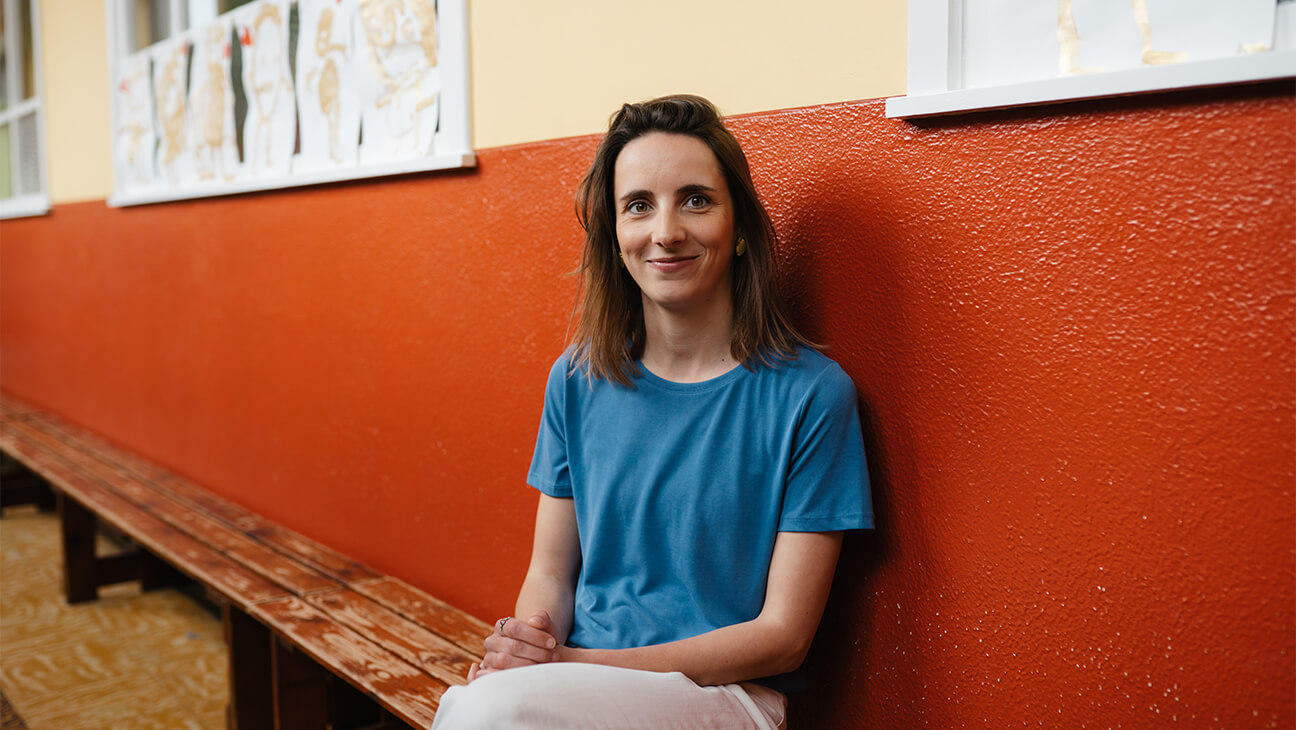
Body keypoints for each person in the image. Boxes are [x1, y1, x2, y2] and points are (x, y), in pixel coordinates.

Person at [430, 95, 873, 729]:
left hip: (729, 695)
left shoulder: (812, 395)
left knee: (489, 714)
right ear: (615, 235)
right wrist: (529, 645)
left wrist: (573, 665)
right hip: (569, 686)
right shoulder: (577, 380)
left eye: (696, 199)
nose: (666, 230)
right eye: (639, 205)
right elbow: (550, 575)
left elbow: (784, 637)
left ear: (740, 224)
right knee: (487, 707)